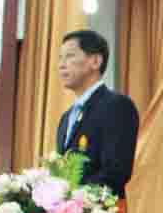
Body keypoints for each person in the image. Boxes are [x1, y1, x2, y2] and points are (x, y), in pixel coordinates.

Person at [56, 29, 139, 198]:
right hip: (66, 212)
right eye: (60, 58)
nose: (61, 65)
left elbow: (116, 172)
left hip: (99, 211)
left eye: (69, 56)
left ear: (95, 61)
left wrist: (74, 197)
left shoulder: (116, 106)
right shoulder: (66, 117)